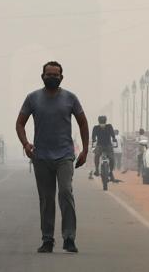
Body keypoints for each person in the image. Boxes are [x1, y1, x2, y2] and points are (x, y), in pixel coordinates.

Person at [16, 61, 89, 254]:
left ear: (61, 77)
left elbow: (83, 123)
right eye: (49, 74)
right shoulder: (32, 98)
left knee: (65, 192)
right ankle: (47, 239)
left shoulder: (70, 98)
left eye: (56, 75)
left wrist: (85, 150)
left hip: (65, 155)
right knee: (46, 199)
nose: (52, 78)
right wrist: (25, 144)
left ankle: (69, 238)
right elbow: (20, 124)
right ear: (42, 76)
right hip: (41, 156)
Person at [91, 116, 117, 180]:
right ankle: (97, 169)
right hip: (99, 145)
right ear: (99, 122)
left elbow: (112, 134)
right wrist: (93, 140)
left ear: (106, 121)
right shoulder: (96, 128)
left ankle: (111, 172)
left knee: (112, 158)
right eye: (101, 122)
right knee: (96, 156)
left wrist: (114, 139)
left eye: (103, 122)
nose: (102, 123)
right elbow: (93, 136)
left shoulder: (109, 126)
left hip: (108, 145)